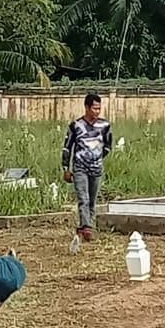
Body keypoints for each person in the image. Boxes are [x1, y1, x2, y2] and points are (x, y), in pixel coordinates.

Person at [62, 92, 112, 242]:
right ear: (86, 107)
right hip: (80, 168)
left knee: (92, 200)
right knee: (83, 198)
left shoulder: (104, 126)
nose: (97, 112)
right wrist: (66, 168)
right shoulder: (76, 126)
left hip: (96, 169)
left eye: (99, 108)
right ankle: (86, 226)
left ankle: (85, 227)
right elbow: (67, 148)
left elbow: (108, 146)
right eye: (94, 108)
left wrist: (96, 157)